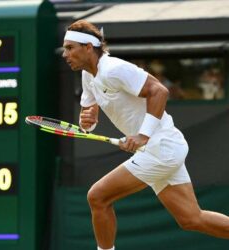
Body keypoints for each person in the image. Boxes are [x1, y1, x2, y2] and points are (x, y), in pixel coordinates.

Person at [62, 19, 229, 250]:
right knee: (191, 219)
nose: (65, 54)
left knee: (97, 197)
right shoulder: (88, 76)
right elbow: (89, 118)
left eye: (70, 48)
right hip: (161, 149)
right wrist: (87, 123)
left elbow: (159, 91)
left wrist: (142, 136)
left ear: (88, 47)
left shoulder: (114, 68)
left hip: (161, 148)